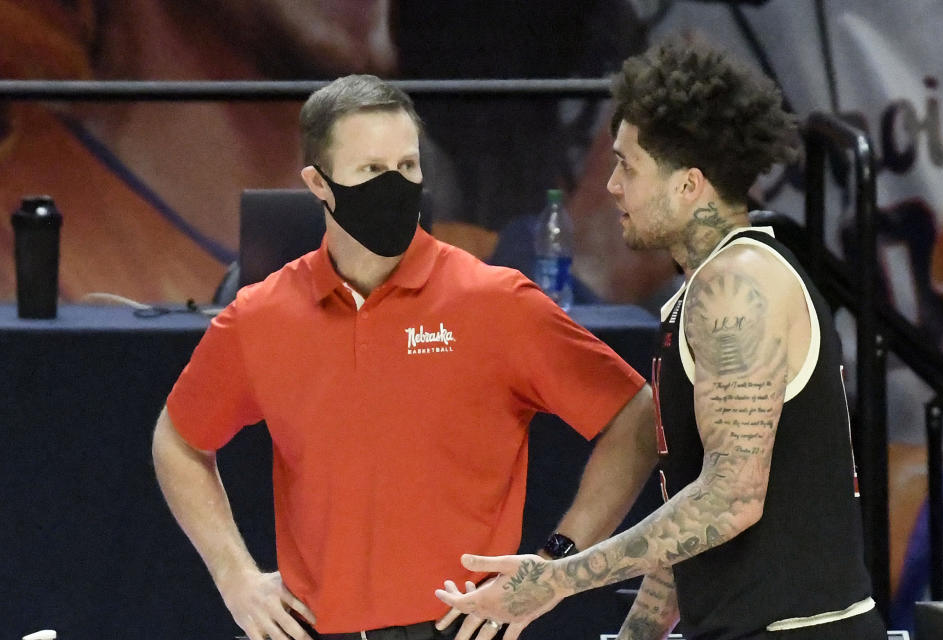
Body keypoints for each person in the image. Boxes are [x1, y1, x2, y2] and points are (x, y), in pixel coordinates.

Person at [152, 74, 659, 640]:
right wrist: (235, 576)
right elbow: (178, 440)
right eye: (371, 171)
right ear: (318, 184)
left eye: (408, 167)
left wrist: (559, 564)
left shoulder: (494, 302)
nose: (396, 185)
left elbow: (635, 415)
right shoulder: (260, 315)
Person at [435, 40, 887, 639]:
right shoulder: (699, 291)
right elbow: (695, 513)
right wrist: (637, 633)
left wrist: (559, 578)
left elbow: (729, 502)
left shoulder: (737, 285)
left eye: (629, 165)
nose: (613, 186)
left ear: (688, 185)